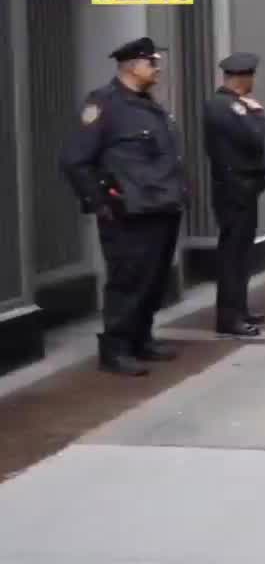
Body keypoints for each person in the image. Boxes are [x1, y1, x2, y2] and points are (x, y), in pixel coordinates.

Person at [59, 36, 185, 375]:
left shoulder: (149, 105)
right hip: (127, 212)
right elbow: (75, 160)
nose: (157, 69)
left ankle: (140, 338)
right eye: (151, 63)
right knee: (127, 280)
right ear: (132, 66)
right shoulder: (105, 104)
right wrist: (99, 203)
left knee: (154, 279)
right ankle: (115, 349)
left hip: (160, 206)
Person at [203, 52, 265, 337]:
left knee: (241, 254)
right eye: (251, 76)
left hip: (242, 188)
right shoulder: (226, 106)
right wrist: (257, 113)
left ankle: (239, 309)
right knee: (233, 255)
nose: (253, 80)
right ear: (242, 78)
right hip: (234, 189)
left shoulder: (231, 105)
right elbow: (254, 138)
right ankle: (229, 317)